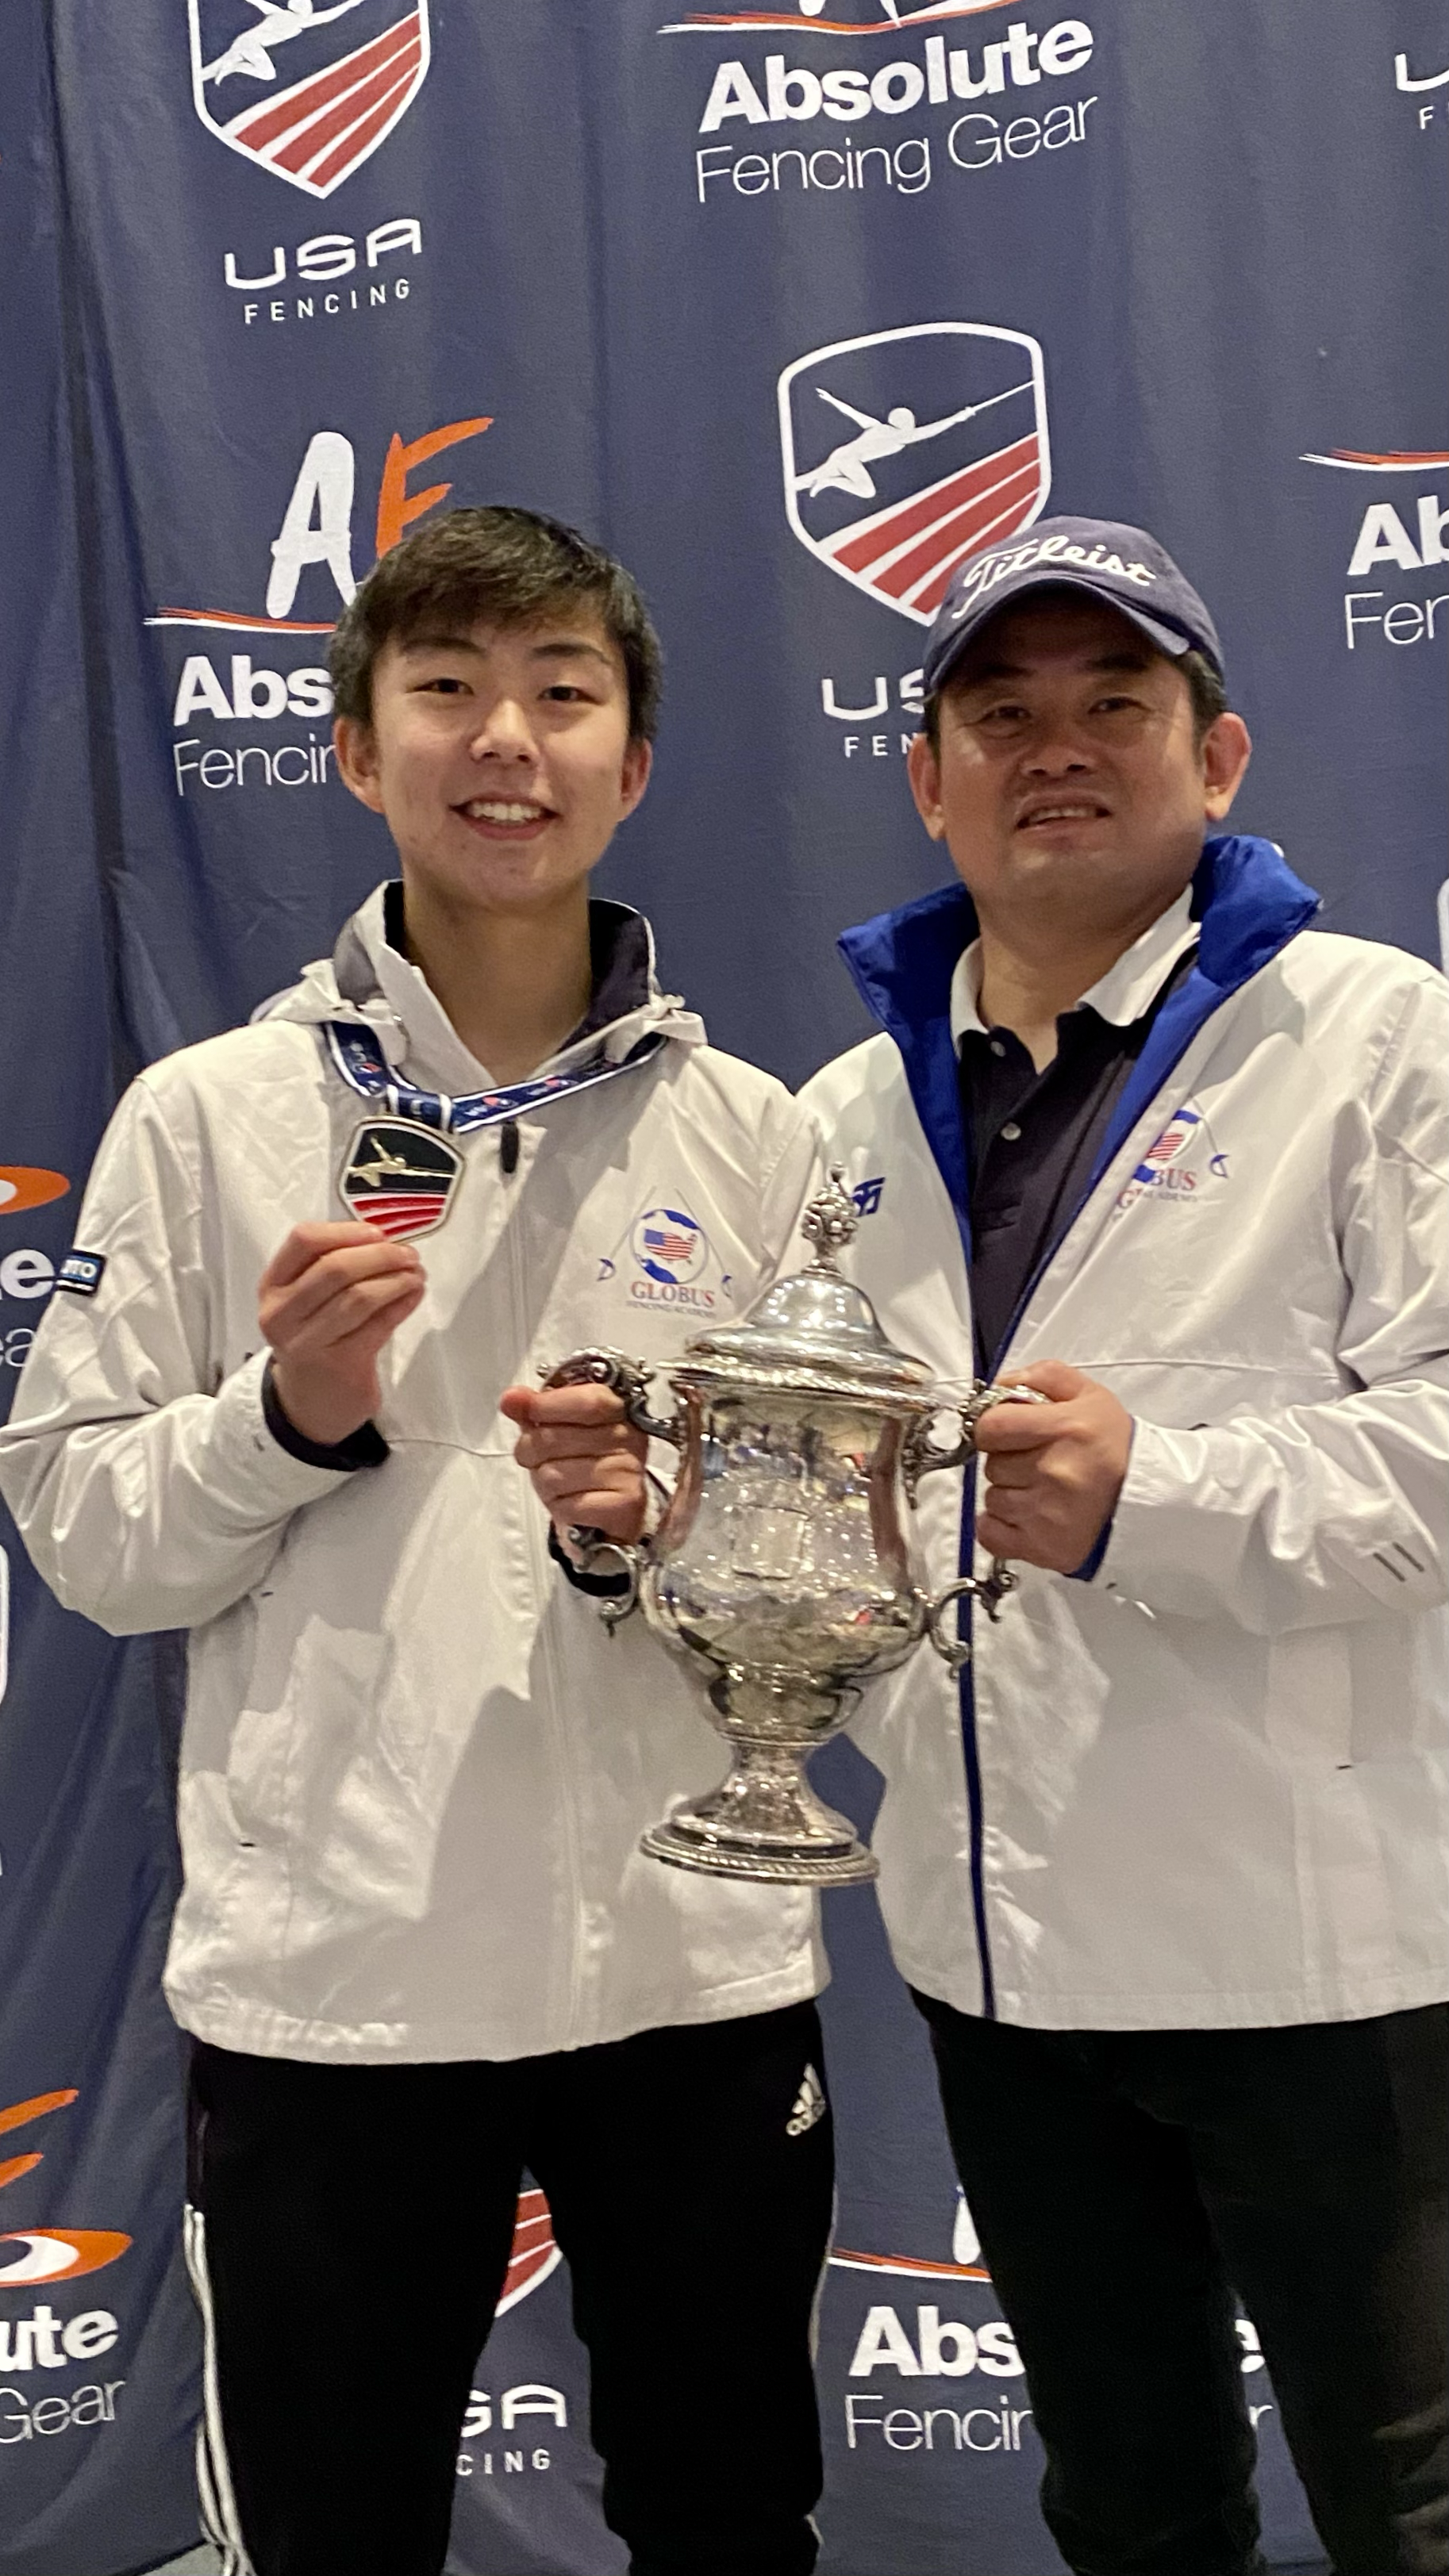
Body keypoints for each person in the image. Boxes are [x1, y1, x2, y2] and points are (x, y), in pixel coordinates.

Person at [0, 507, 832, 2576]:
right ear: (360, 750)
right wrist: (283, 1416)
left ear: (634, 762)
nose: (506, 739)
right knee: (334, 2533)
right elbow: (89, 1533)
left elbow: (841, 1570)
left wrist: (659, 1529)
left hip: (690, 1967)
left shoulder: (757, 1137)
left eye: (562, 692)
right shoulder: (210, 1117)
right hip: (338, 1985)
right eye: (447, 688)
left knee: (732, 2520)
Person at [795, 516, 1449, 2576]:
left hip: (1324, 1958)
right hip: (1005, 1959)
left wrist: (1151, 1495)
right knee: (1130, 2509)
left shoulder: (1379, 1038)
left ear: (1219, 754)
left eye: (1115, 703)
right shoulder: (842, 1115)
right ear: (930, 778)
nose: (1056, 747)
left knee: (1414, 2504)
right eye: (1002, 713)